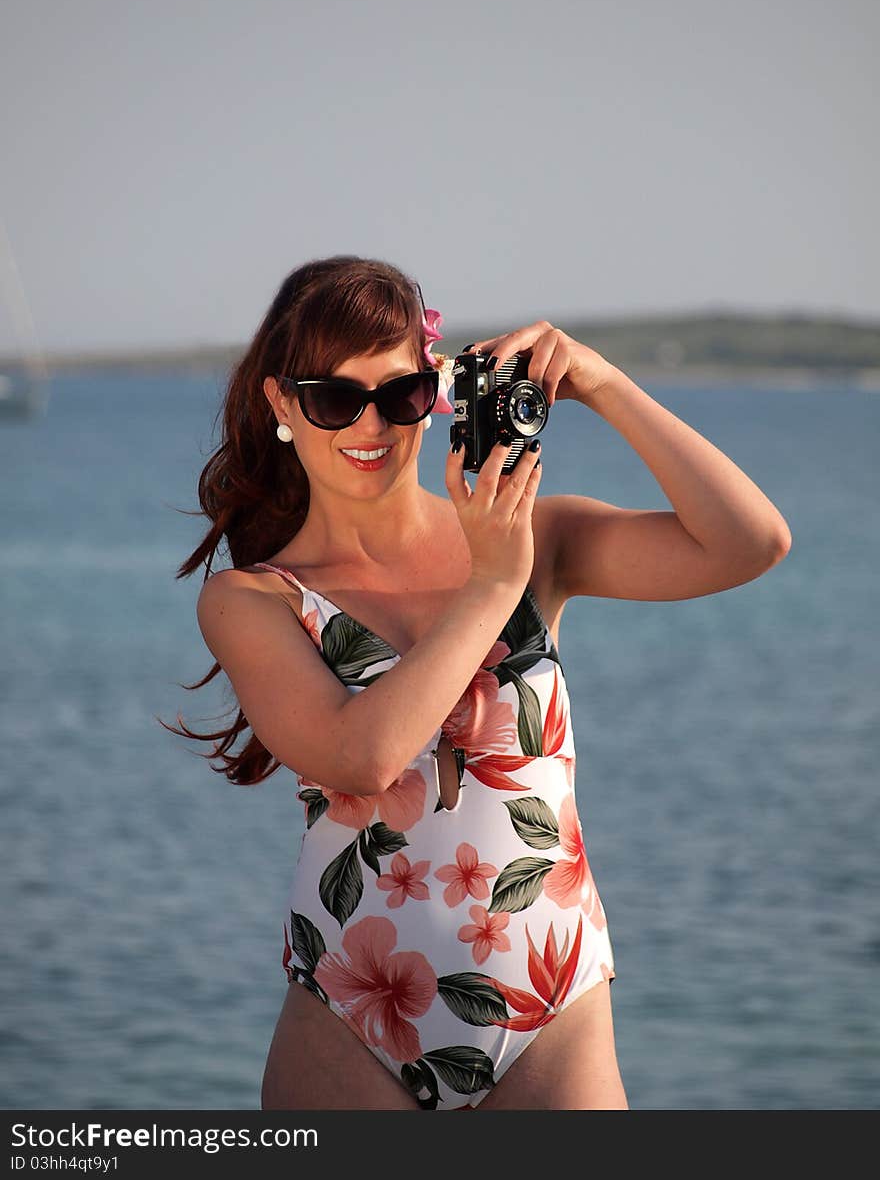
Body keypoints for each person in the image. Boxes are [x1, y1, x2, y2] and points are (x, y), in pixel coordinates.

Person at [165, 254, 791, 1111]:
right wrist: (494, 584)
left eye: (401, 394)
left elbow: (750, 543)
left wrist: (604, 384)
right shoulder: (253, 598)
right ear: (282, 404)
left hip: (553, 1016)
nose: (371, 425)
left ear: (440, 391)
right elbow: (362, 755)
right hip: (350, 1026)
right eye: (335, 398)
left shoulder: (538, 536)